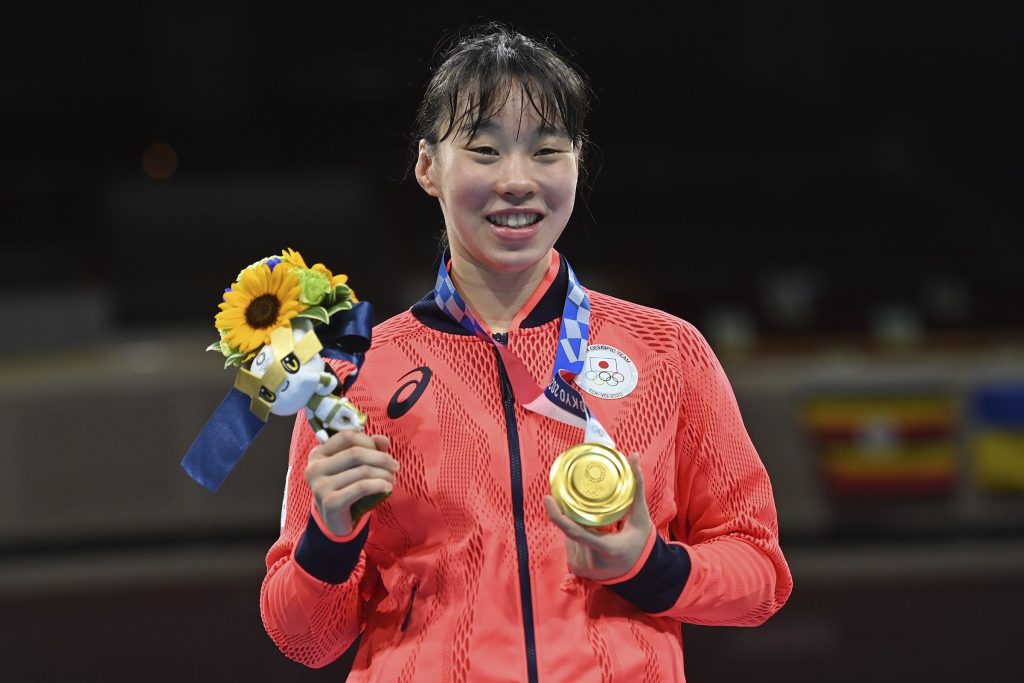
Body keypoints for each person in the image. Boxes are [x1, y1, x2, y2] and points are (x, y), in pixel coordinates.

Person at [260, 22, 792, 682]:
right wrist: (330, 537)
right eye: (484, 150)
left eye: (547, 151)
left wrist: (648, 565)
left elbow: (760, 573)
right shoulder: (353, 375)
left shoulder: (667, 353)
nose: (518, 180)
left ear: (578, 162)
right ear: (428, 166)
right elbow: (303, 638)